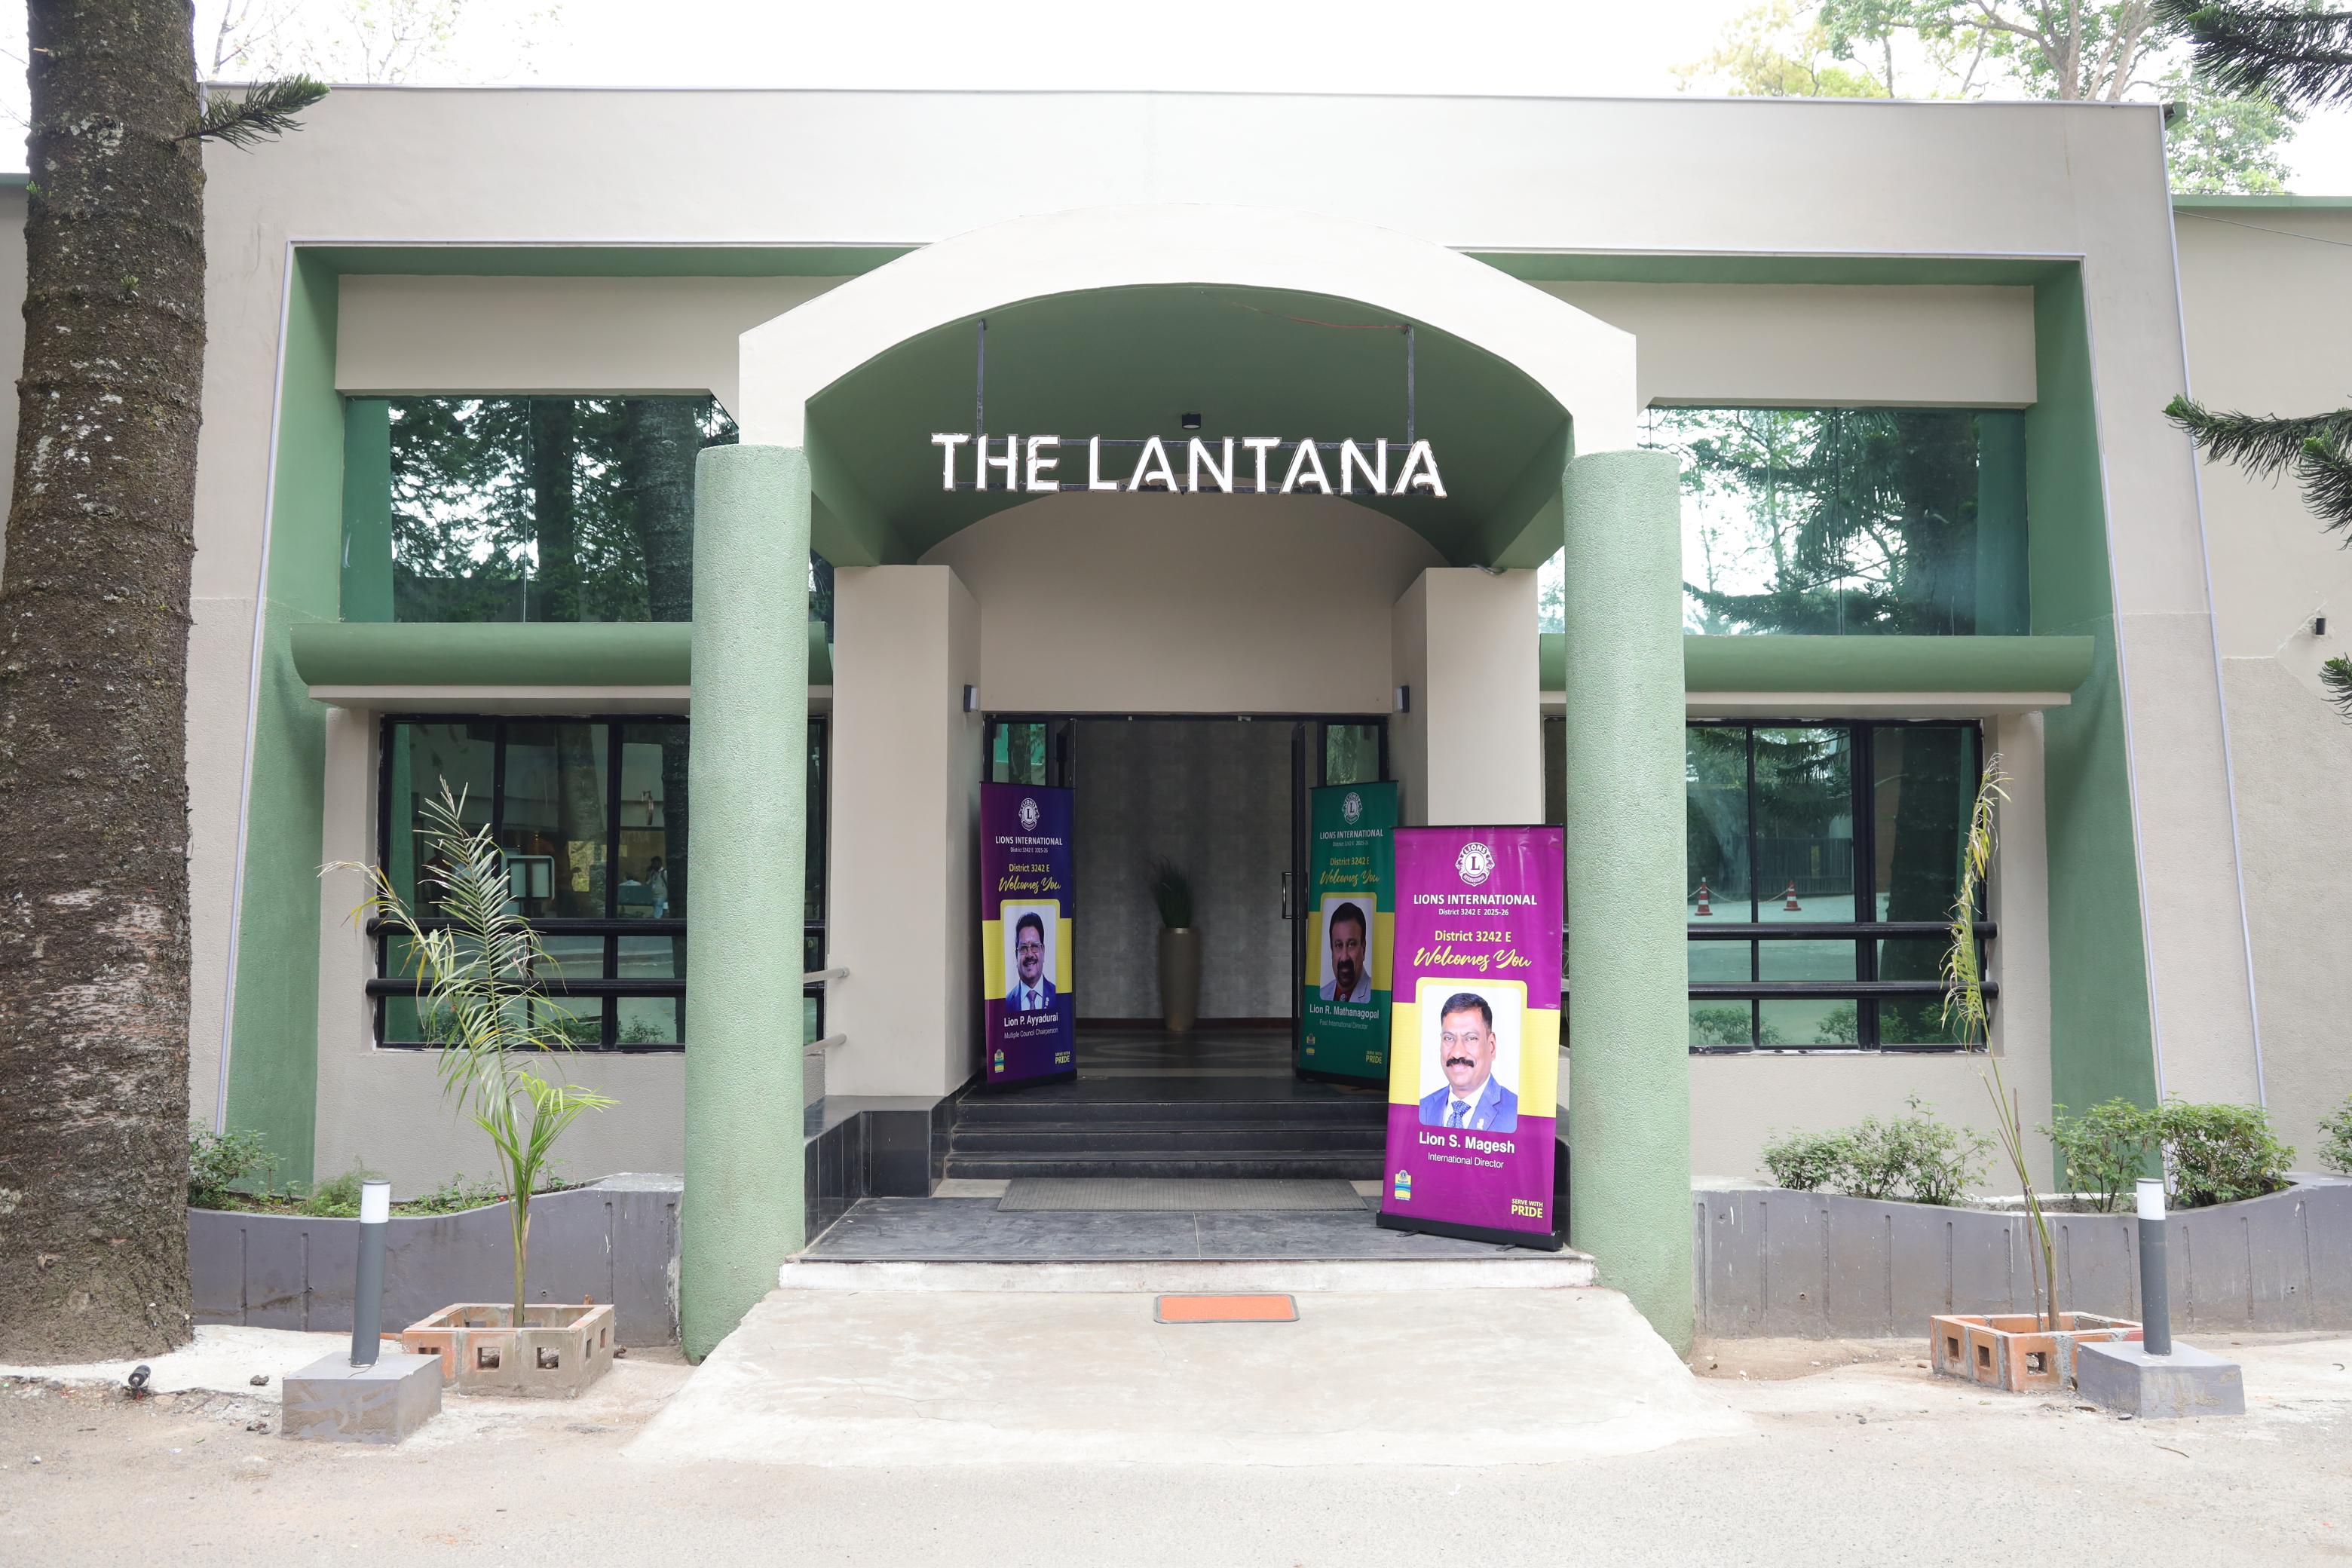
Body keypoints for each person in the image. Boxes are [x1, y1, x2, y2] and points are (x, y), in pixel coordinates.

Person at [1417, 991, 1517, 1132]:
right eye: (1449, 1038)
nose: (1457, 1053)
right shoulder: (1421, 1108)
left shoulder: (1517, 1113)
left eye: (1471, 1038)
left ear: (1492, 1046)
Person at [1318, 901, 1372, 1003]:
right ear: (1332, 950)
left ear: (1363, 948)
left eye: (1351, 944)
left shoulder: (1377, 998)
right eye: (1338, 945)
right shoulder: (1320, 995)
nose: (1344, 957)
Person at [1005, 910, 1057, 1011]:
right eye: (1024, 948)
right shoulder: (1005, 1004)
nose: (1029, 954)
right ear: (1016, 955)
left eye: (1034, 946)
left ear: (1043, 951)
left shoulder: (1060, 997)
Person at [647, 856, 669, 920]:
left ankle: (657, 922)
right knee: (658, 910)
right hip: (654, 896)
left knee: (658, 911)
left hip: (662, 896)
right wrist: (650, 874)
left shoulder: (664, 872)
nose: (653, 865)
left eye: (655, 863)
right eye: (653, 864)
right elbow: (648, 883)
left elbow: (668, 884)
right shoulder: (653, 873)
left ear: (659, 863)